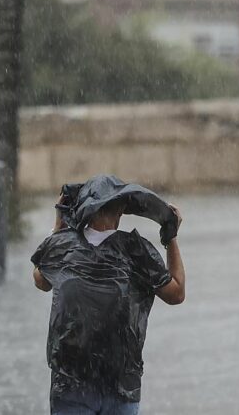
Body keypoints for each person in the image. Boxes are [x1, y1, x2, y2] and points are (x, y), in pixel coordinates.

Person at [31, 178, 186, 415]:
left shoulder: (63, 246)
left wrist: (59, 226)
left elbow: (40, 280)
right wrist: (170, 237)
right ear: (122, 208)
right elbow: (177, 293)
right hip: (119, 385)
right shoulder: (136, 250)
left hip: (72, 385)